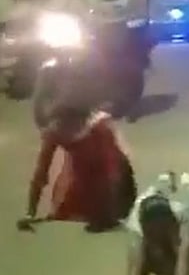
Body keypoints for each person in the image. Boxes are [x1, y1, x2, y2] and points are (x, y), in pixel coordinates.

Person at [18, 96, 137, 233]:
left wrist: (111, 207)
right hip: (82, 172)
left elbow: (113, 168)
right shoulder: (54, 131)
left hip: (110, 173)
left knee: (102, 212)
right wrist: (30, 212)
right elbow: (41, 171)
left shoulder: (100, 126)